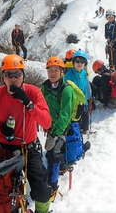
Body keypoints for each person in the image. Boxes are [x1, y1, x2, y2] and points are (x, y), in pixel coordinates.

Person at [0, 54, 52, 213]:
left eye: (17, 74)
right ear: (3, 77)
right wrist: (1, 128)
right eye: (9, 74)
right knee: (5, 194)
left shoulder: (33, 92)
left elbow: (47, 122)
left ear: (23, 76)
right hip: (4, 148)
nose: (13, 79)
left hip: (29, 147)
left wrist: (28, 103)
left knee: (41, 189)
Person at [41, 57, 73, 200]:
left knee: (53, 155)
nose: (52, 73)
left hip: (61, 129)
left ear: (62, 72)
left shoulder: (66, 90)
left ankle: (52, 187)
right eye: (50, 70)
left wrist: (55, 134)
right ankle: (60, 166)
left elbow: (65, 116)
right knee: (50, 154)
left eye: (56, 70)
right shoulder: (45, 87)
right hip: (50, 128)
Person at [64, 50, 92, 134]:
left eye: (82, 62)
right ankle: (76, 132)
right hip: (74, 103)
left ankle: (85, 130)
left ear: (85, 64)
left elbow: (86, 86)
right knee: (76, 118)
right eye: (77, 61)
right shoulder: (68, 75)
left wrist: (88, 97)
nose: (80, 64)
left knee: (85, 115)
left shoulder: (84, 73)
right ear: (73, 63)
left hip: (84, 101)